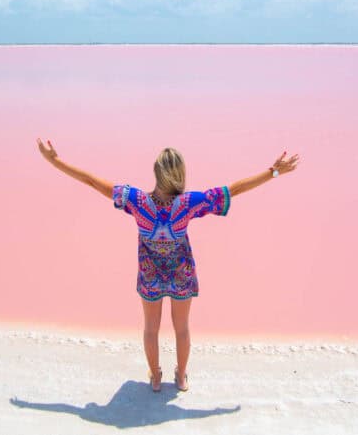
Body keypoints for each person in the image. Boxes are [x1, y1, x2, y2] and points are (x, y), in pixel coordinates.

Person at [36, 138, 300, 392]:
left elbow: (92, 181)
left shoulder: (136, 200)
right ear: (181, 174)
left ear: (155, 172)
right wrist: (273, 172)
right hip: (181, 274)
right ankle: (181, 377)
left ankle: (155, 378)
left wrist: (55, 162)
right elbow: (235, 189)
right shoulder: (188, 203)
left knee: (151, 328)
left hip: (150, 275)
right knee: (182, 328)